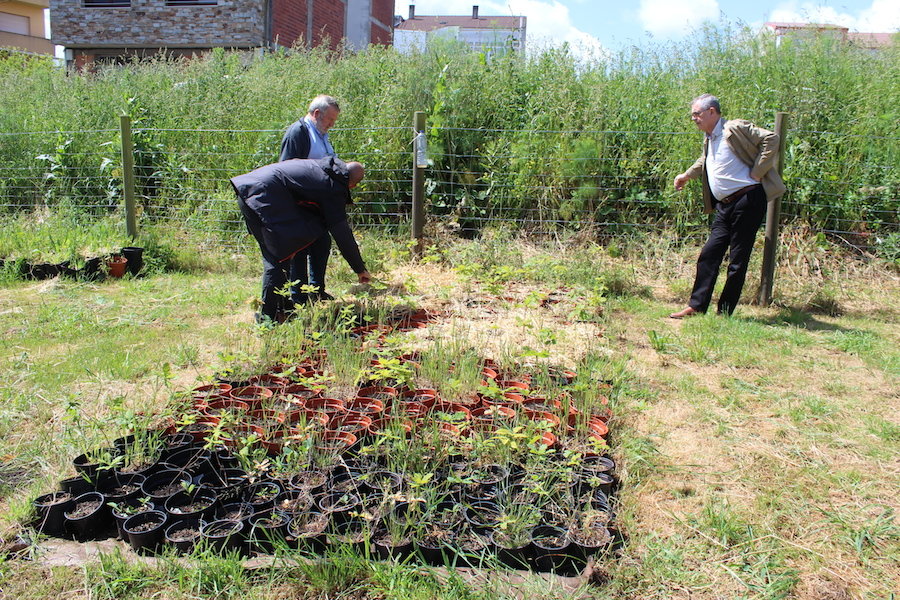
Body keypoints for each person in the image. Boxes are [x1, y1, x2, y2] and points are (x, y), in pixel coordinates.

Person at [670, 94, 786, 318]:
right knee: (709, 254)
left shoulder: (733, 128)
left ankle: (725, 313)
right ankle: (697, 306)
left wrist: (758, 171)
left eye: (697, 114)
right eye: (693, 114)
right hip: (725, 206)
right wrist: (686, 175)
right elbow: (705, 162)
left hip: (748, 200)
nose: (694, 118)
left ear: (712, 112)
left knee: (737, 260)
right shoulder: (710, 138)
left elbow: (771, 138)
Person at [232, 156, 372, 324]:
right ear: (353, 185)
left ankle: (284, 308)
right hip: (260, 196)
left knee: (286, 252)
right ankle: (266, 319)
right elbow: (342, 234)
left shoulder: (324, 167)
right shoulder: (333, 186)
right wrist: (360, 269)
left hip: (253, 189)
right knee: (278, 259)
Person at [279, 95, 342, 303]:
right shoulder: (298, 132)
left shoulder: (321, 134)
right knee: (300, 249)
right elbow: (286, 169)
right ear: (316, 114)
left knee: (322, 244)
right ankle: (298, 297)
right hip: (300, 204)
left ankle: (317, 291)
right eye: (330, 120)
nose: (332, 125)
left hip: (318, 204)